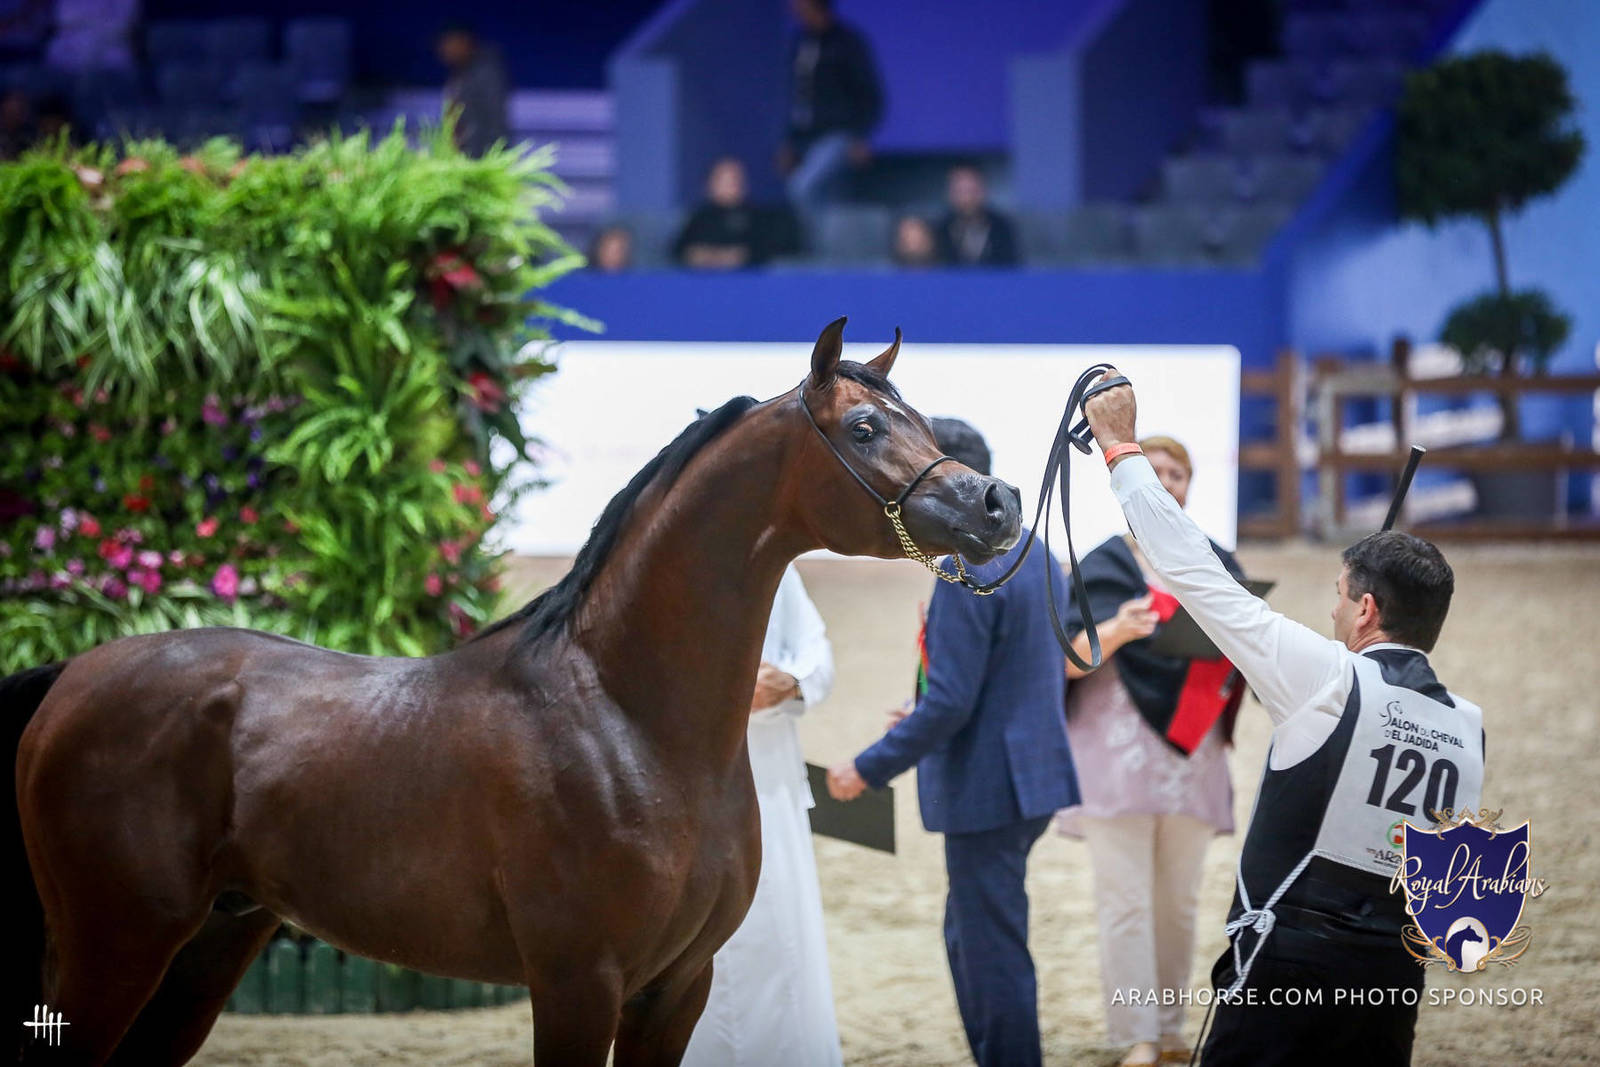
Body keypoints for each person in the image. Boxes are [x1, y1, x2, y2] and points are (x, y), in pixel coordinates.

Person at [1078, 372, 1485, 1067]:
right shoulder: (1468, 727)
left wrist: (1120, 448)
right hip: (1394, 972)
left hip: (1286, 960)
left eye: (1340, 595)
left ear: (1366, 610)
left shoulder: (1324, 674)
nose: (1332, 609)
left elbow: (1195, 572)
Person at [827, 417, 1078, 1067]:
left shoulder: (965, 568)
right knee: (970, 935)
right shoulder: (1033, 550)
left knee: (990, 951)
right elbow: (1005, 668)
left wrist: (867, 767)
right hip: (1031, 775)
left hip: (990, 787)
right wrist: (920, 707)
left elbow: (952, 702)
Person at [1054, 435, 1244, 1067]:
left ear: (1189, 486)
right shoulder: (1100, 565)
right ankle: (1136, 1033)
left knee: (1180, 903)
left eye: (1176, 472)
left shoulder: (1218, 563)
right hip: (1116, 757)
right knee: (1125, 901)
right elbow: (1068, 660)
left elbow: (1251, 652)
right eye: (1153, 470)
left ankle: (1168, 1029)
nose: (1165, 481)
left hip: (1192, 754)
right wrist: (1118, 627)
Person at [683, 565, 842, 1067]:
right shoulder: (655, 555)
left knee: (779, 936)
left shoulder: (777, 568)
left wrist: (790, 684)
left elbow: (819, 657)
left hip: (769, 781)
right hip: (681, 782)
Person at [777, 0, 883, 214]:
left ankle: (817, 239)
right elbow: (799, 96)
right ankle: (826, 236)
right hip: (804, 135)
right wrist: (789, 141)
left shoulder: (846, 42)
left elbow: (870, 94)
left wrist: (860, 136)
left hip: (837, 134)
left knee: (801, 188)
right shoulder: (801, 42)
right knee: (828, 200)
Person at [673, 157, 793, 270]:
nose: (730, 185)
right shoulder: (699, 218)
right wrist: (702, 256)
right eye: (723, 180)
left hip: (749, 280)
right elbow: (679, 251)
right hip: (704, 282)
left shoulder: (761, 218)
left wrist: (740, 256)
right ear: (709, 184)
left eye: (734, 179)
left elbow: (772, 250)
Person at [436, 22, 508, 157]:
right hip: (464, 155)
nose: (444, 50)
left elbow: (494, 122)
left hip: (480, 157)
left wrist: (484, 158)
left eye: (450, 44)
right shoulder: (461, 73)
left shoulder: (486, 74)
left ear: (465, 42)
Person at [935, 165, 1020, 268]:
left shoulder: (1002, 228)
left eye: (972, 191)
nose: (967, 198)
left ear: (983, 191)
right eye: (960, 191)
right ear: (950, 194)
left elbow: (1012, 267)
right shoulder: (939, 230)